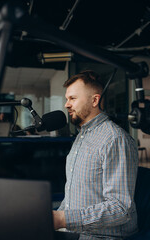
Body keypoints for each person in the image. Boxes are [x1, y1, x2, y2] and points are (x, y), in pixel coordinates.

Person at [53, 70, 139, 240]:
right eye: (66, 99)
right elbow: (72, 195)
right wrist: (57, 216)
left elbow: (120, 209)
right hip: (74, 232)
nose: (66, 105)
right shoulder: (82, 136)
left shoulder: (114, 139)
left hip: (103, 237)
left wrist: (63, 219)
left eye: (73, 98)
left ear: (95, 100)